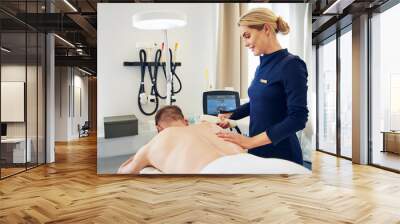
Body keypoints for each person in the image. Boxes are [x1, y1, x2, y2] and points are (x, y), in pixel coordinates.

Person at [216, 8, 309, 165]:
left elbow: (298, 118)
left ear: (266, 29)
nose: (245, 43)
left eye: (247, 36)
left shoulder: (292, 65)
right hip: (258, 152)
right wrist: (231, 116)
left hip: (282, 156)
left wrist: (249, 142)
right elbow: (258, 102)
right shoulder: (261, 67)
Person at [117, 105, 245, 174]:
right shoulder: (210, 125)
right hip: (250, 162)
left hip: (216, 173)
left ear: (158, 129)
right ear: (185, 121)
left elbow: (123, 172)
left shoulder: (158, 140)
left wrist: (140, 154)